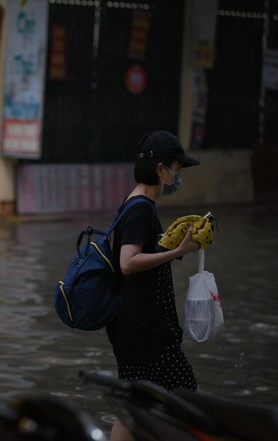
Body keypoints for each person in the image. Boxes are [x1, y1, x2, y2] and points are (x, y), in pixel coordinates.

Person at [106, 130, 202, 441]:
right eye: (176, 168)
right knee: (183, 395)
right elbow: (128, 262)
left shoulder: (133, 204)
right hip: (144, 326)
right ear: (160, 169)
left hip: (133, 323)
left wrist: (169, 246)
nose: (178, 175)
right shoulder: (141, 209)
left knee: (137, 401)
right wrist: (178, 251)